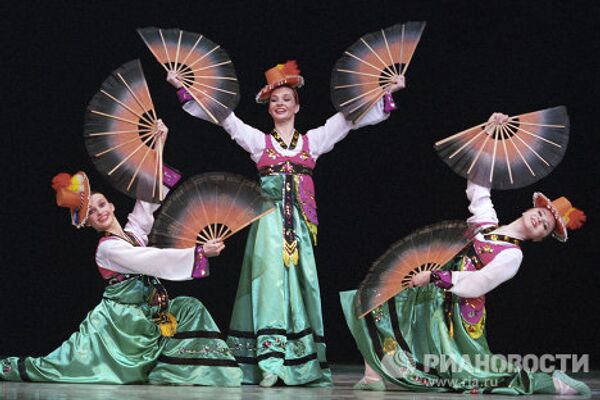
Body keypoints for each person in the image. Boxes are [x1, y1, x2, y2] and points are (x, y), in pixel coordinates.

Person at [167, 60, 404, 386]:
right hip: (267, 225)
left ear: (297, 106)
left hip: (301, 229)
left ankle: (299, 362)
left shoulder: (314, 142)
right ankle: (267, 361)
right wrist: (186, 86)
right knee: (269, 286)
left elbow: (349, 118)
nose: (280, 103)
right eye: (275, 99)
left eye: (287, 99)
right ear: (268, 107)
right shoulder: (259, 142)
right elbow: (226, 118)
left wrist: (384, 90)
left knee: (301, 285)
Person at [340, 114, 589, 395]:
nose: (539, 221)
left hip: (458, 306)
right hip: (436, 289)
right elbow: (478, 186)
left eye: (545, 226)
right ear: (529, 209)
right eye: (541, 215)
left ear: (541, 237)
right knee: (373, 300)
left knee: (472, 372)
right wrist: (489, 136)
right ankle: (373, 374)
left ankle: (549, 382)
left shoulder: (512, 256)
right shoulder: (488, 224)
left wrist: (435, 276)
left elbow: (479, 282)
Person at [0, 121, 243, 386]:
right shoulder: (108, 249)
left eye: (101, 205)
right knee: (54, 368)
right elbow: (151, 260)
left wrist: (159, 143)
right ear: (89, 224)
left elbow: (147, 201)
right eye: (92, 212)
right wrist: (199, 253)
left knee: (190, 309)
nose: (99, 212)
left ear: (112, 205)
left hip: (149, 314)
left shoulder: (131, 234)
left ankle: (188, 371)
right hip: (120, 326)